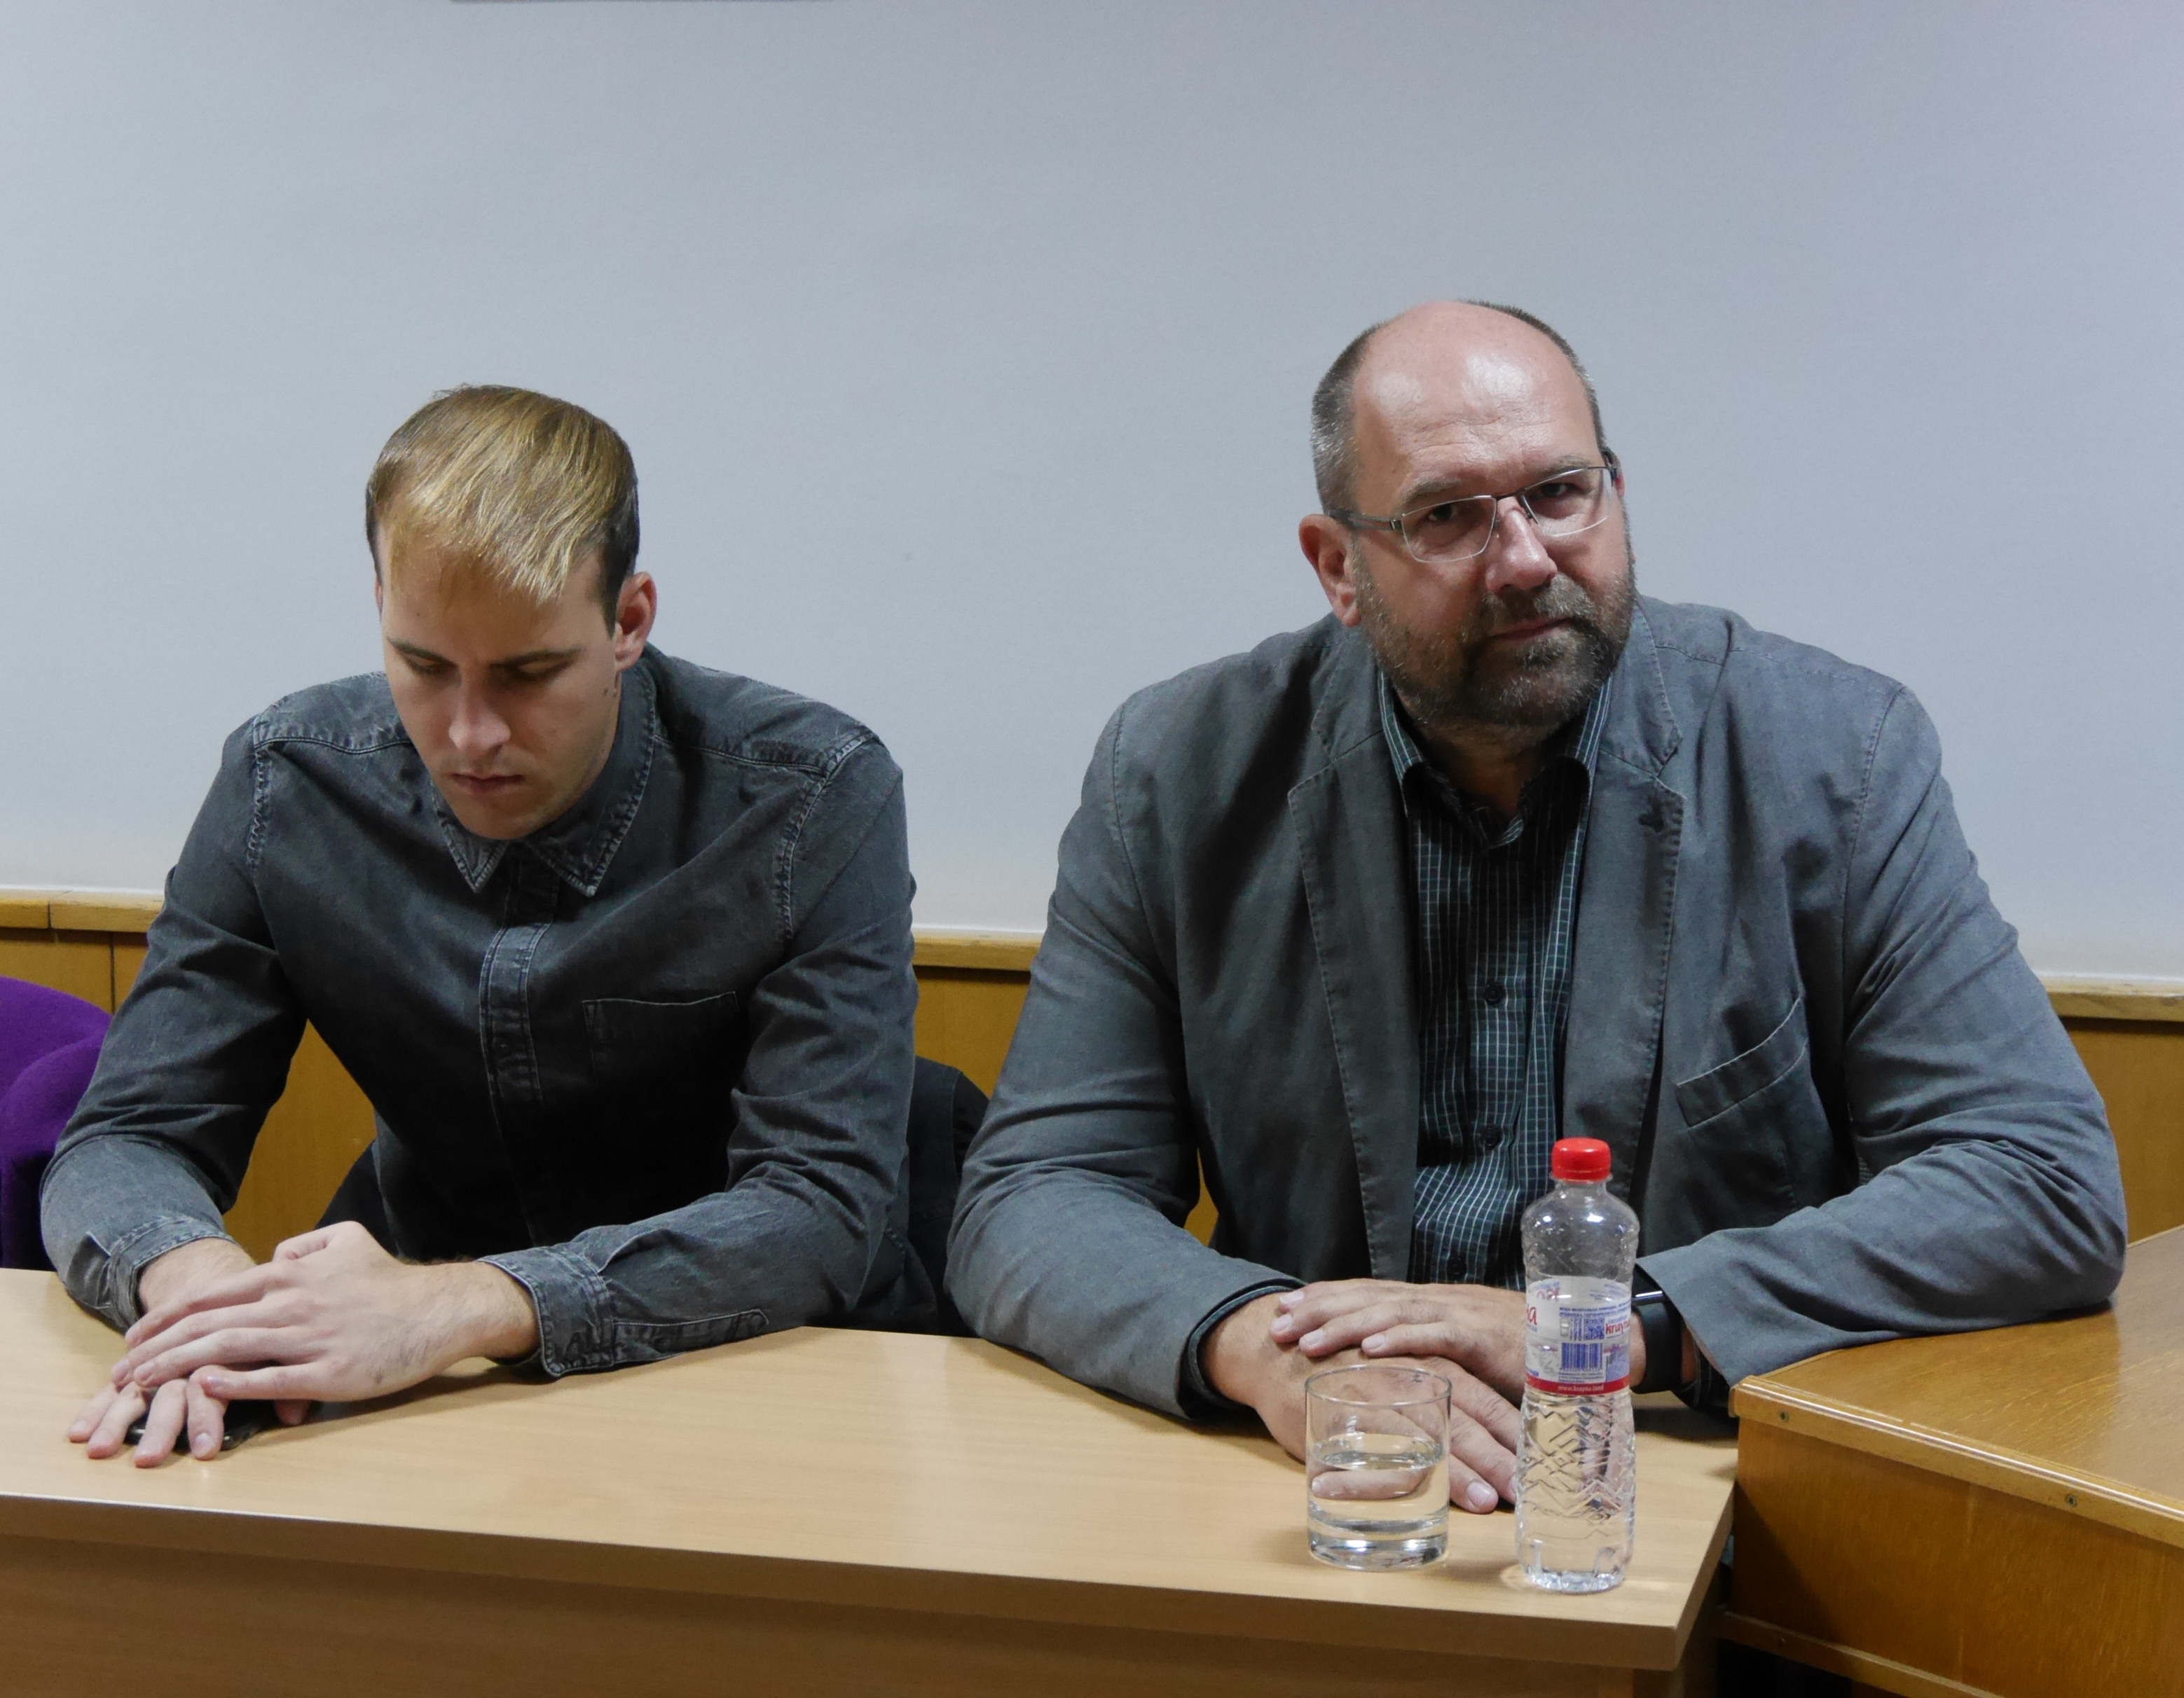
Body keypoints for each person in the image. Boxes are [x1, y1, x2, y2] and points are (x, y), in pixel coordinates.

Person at [947, 301, 2127, 1514]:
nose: (1522, 559)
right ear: (1339, 566)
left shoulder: (1831, 757)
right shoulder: (1179, 771)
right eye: (1446, 517)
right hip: (1334, 1486)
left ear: (1615, 491)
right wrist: (1262, 1347)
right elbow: (1034, 1193)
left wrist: (1607, 1327)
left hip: (1692, 1489)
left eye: (1560, 494)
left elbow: (2036, 1179)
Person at [46, 386, 925, 1464]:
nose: (469, 734)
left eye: (528, 673)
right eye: (423, 666)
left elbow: (817, 1208)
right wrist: (206, 1300)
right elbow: (130, 1137)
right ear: (380, 604)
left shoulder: (810, 792)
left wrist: (457, 1306)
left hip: (757, 1361)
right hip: (423, 1378)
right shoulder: (288, 783)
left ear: (629, 621)